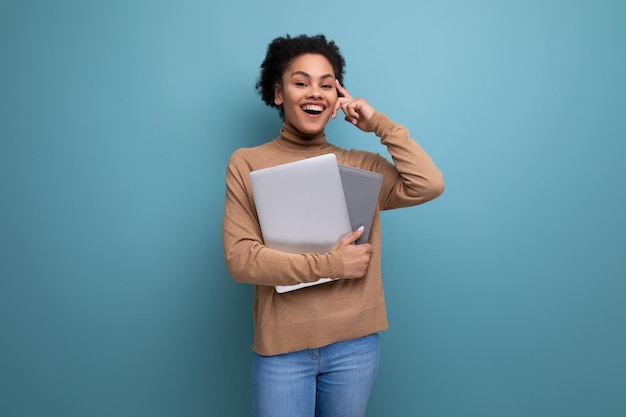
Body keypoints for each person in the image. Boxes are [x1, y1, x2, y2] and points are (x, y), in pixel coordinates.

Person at [222, 34, 444, 417]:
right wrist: (331, 265)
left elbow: (428, 183)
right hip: (283, 351)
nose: (315, 92)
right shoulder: (247, 163)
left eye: (327, 84)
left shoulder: (363, 165)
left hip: (355, 347)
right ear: (278, 94)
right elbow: (241, 259)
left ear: (338, 99)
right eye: (300, 82)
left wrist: (379, 125)